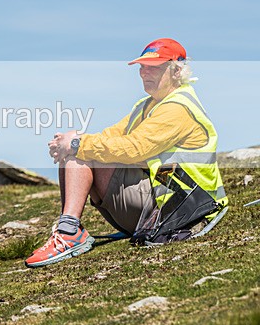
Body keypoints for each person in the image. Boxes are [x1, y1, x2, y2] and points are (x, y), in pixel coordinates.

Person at [26, 38, 229, 267]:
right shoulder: (148, 105)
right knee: (83, 148)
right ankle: (69, 230)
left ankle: (69, 231)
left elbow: (135, 148)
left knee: (82, 152)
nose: (144, 73)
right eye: (142, 67)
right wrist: (75, 140)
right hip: (168, 205)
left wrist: (75, 145)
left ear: (176, 71)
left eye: (153, 67)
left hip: (185, 209)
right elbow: (113, 136)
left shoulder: (177, 108)